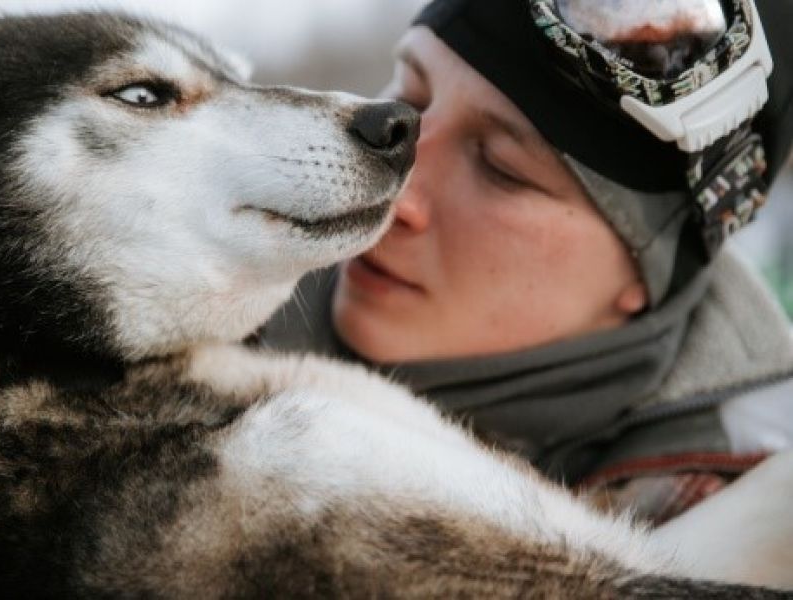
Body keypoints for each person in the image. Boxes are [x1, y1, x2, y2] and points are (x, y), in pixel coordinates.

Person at [260, 0, 793, 583]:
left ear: (646, 273)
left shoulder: (735, 532)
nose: (395, 199)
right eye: (407, 108)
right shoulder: (186, 330)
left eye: (502, 170)